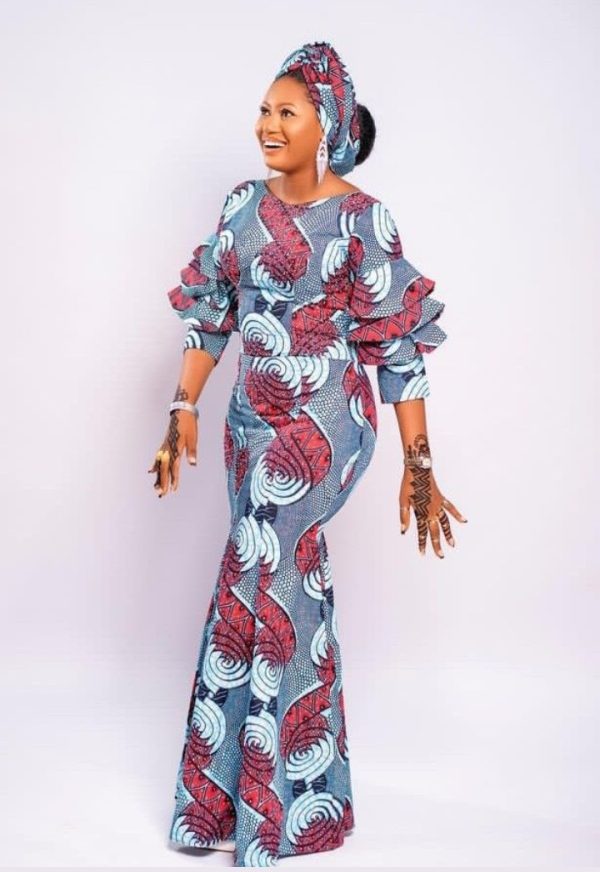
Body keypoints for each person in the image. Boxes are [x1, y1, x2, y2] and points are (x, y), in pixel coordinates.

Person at [149, 40, 467, 868]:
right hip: (248, 425)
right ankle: (282, 804)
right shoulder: (240, 206)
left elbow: (398, 350)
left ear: (325, 123)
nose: (267, 125)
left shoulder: (364, 220)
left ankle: (264, 814)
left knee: (267, 564)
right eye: (263, 110)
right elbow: (212, 312)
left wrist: (420, 464)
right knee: (269, 577)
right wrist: (183, 406)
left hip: (326, 425)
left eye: (286, 112)